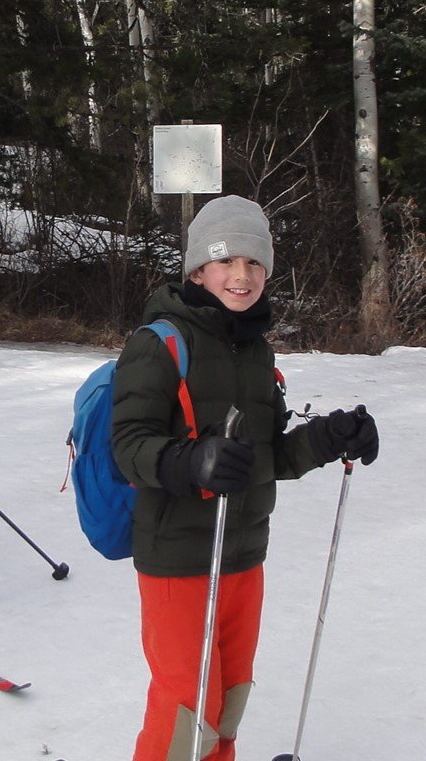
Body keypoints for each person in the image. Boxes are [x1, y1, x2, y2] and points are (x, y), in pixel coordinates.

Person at [111, 195, 379, 761]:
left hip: (242, 556)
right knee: (187, 706)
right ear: (197, 270)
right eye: (226, 260)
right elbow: (127, 446)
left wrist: (330, 437)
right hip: (178, 559)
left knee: (228, 698)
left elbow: (269, 456)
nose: (241, 275)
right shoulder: (158, 343)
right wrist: (189, 461)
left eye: (254, 262)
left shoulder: (257, 350)